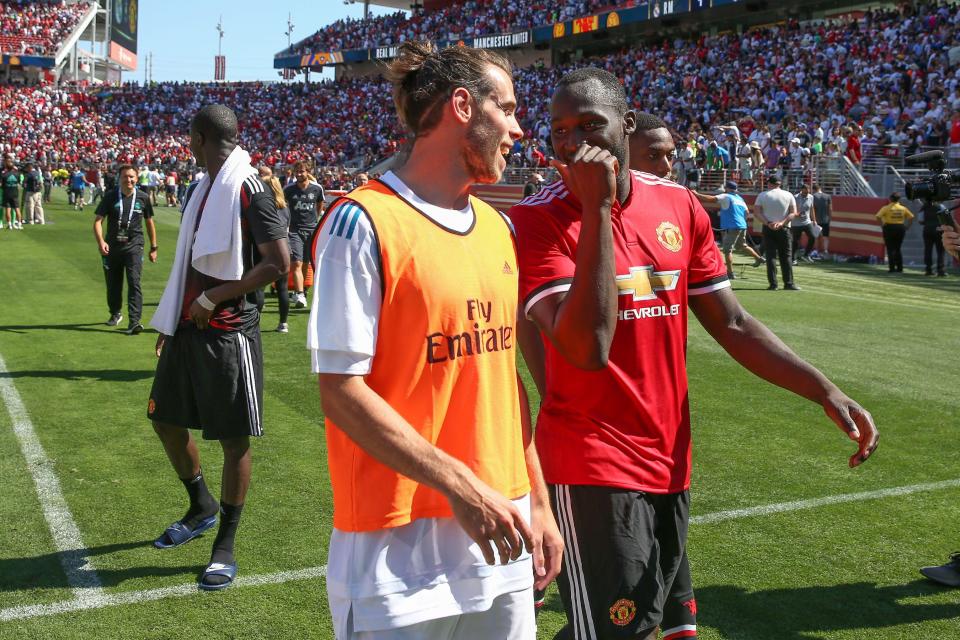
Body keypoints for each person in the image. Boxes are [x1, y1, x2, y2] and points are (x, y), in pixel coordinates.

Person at [510, 66, 879, 640]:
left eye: (589, 124)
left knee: (666, 626)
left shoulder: (679, 205)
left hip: (669, 452)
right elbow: (586, 347)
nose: (571, 141)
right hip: (589, 459)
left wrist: (822, 388)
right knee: (616, 634)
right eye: (558, 129)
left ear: (625, 126)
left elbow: (731, 322)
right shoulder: (537, 219)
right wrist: (599, 210)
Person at [308, 41, 562, 639]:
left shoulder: (499, 228)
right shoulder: (361, 222)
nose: (519, 129)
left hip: (502, 533)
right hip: (396, 552)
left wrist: (539, 502)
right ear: (462, 105)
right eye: (508, 109)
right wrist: (461, 486)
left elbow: (504, 383)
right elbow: (341, 392)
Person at [146, 104, 289, 591]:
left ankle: (224, 544)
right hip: (188, 328)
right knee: (165, 419)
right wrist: (173, 315)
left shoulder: (249, 189)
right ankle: (201, 505)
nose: (187, 143)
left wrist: (213, 296)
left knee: (233, 440)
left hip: (229, 332)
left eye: (190, 136)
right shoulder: (203, 187)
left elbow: (278, 263)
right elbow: (189, 261)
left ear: (199, 137)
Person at [93, 165, 158, 334]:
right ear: (119, 178)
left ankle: (134, 321)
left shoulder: (143, 197)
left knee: (134, 282)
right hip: (112, 246)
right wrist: (101, 241)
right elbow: (98, 221)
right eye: (125, 177)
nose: (128, 180)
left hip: (134, 246)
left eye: (131, 177)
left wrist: (154, 247)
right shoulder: (110, 197)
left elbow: (149, 222)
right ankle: (115, 313)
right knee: (113, 284)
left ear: (136, 178)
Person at [692, 181, 764, 279]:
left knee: (727, 250)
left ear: (727, 188)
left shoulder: (726, 196)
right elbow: (746, 212)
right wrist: (741, 221)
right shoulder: (740, 198)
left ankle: (730, 273)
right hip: (742, 225)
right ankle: (759, 258)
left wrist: (696, 194)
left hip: (732, 226)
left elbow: (711, 199)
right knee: (742, 245)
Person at [283, 160, 323, 309]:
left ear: (308, 172)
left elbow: (319, 205)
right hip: (294, 230)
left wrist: (315, 221)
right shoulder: (288, 189)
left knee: (306, 263)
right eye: (297, 172)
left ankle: (302, 292)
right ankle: (299, 293)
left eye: (302, 171)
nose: (299, 174)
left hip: (311, 230)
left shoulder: (317, 189)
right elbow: (282, 205)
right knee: (297, 263)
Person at [258, 165, 291, 333]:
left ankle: (254, 321)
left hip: (267, 251)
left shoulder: (264, 206)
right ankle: (283, 323)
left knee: (259, 287)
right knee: (282, 288)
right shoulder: (285, 207)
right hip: (286, 250)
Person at [754, 174, 800, 290]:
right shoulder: (789, 195)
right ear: (779, 184)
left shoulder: (762, 195)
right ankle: (789, 283)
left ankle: (773, 284)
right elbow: (793, 213)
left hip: (768, 227)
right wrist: (782, 223)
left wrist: (768, 223)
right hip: (784, 229)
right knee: (786, 257)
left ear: (769, 183)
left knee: (771, 257)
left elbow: (757, 213)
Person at [874, 192, 914, 273]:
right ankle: (900, 268)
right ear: (899, 199)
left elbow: (878, 216)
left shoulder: (886, 208)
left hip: (889, 227)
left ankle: (892, 268)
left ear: (890, 199)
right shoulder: (903, 208)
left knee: (890, 248)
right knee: (898, 248)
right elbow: (911, 217)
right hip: (900, 228)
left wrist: (882, 225)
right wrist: (907, 226)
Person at [919, 199, 948, 277]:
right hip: (939, 230)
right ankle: (940, 270)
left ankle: (928, 270)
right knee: (940, 251)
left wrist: (928, 223)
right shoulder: (941, 206)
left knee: (928, 250)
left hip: (927, 230)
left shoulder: (923, 207)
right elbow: (947, 218)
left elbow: (920, 221)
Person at [792, 184, 817, 264]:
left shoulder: (811, 197)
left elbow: (812, 208)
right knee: (795, 241)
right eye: (805, 192)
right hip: (796, 223)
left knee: (812, 237)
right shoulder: (795, 197)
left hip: (807, 221)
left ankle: (806, 255)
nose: (806, 194)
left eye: (808, 192)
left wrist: (814, 220)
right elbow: (791, 209)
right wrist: (797, 214)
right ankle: (793, 259)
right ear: (801, 190)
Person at [2, 156, 23, 230]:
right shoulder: (17, 174)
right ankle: (20, 224)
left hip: (7, 193)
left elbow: (2, 185)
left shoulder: (4, 175)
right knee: (17, 208)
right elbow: (18, 183)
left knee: (8, 209)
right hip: (15, 193)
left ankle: (10, 225)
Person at [812, 183, 833, 256]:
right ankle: (825, 250)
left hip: (816, 219)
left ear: (813, 189)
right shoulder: (828, 196)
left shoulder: (813, 197)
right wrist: (830, 218)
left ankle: (816, 250)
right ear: (820, 188)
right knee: (826, 236)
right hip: (826, 219)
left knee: (817, 236)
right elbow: (830, 209)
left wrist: (812, 219)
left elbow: (813, 209)